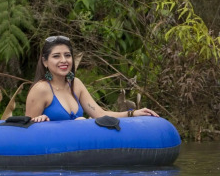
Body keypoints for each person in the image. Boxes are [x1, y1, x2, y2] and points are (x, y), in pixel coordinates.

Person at [25, 35, 159, 122]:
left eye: (67, 55)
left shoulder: (76, 84)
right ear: (45, 62)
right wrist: (40, 121)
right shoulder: (41, 89)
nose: (64, 60)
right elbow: (26, 127)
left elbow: (99, 113)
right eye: (56, 56)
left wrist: (132, 114)